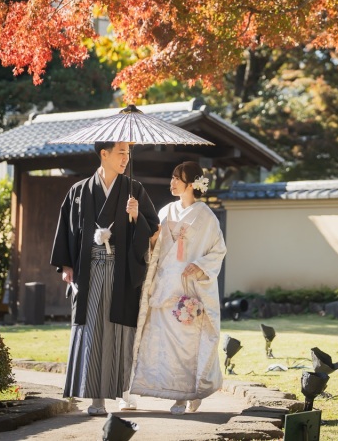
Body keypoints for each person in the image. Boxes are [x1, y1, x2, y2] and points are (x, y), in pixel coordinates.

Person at [50, 141, 160, 417]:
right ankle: (96, 398)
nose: (126, 158)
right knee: (92, 331)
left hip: (122, 272)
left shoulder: (134, 190)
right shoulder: (78, 191)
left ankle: (124, 393)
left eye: (129, 153)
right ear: (104, 154)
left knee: (120, 331)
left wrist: (136, 217)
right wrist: (66, 265)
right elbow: (66, 228)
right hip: (88, 272)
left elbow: (153, 230)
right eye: (121, 152)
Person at [129, 161, 227, 415]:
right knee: (163, 342)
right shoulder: (166, 211)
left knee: (186, 344)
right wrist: (146, 231)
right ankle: (167, 389)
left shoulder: (206, 215)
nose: (171, 182)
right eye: (171, 177)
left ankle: (185, 395)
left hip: (188, 287)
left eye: (177, 178)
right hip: (164, 285)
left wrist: (200, 265)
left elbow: (218, 250)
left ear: (191, 184)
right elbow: (155, 245)